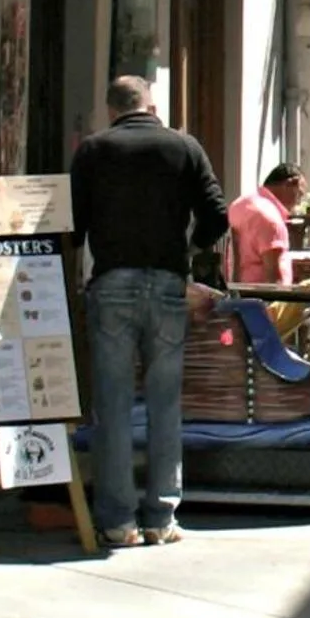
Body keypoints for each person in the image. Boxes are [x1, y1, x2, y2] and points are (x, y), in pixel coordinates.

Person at [69, 76, 229, 549]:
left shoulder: (94, 151)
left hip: (112, 283)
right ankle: (161, 515)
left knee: (113, 406)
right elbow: (217, 217)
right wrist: (185, 247)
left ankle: (118, 520)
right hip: (166, 283)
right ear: (151, 105)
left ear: (111, 109)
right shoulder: (184, 147)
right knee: (164, 402)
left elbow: (73, 226)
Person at [227, 163, 306, 286]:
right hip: (261, 298)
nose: (298, 203)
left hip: (235, 292)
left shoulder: (239, 204)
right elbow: (274, 280)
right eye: (300, 195)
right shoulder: (271, 218)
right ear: (290, 184)